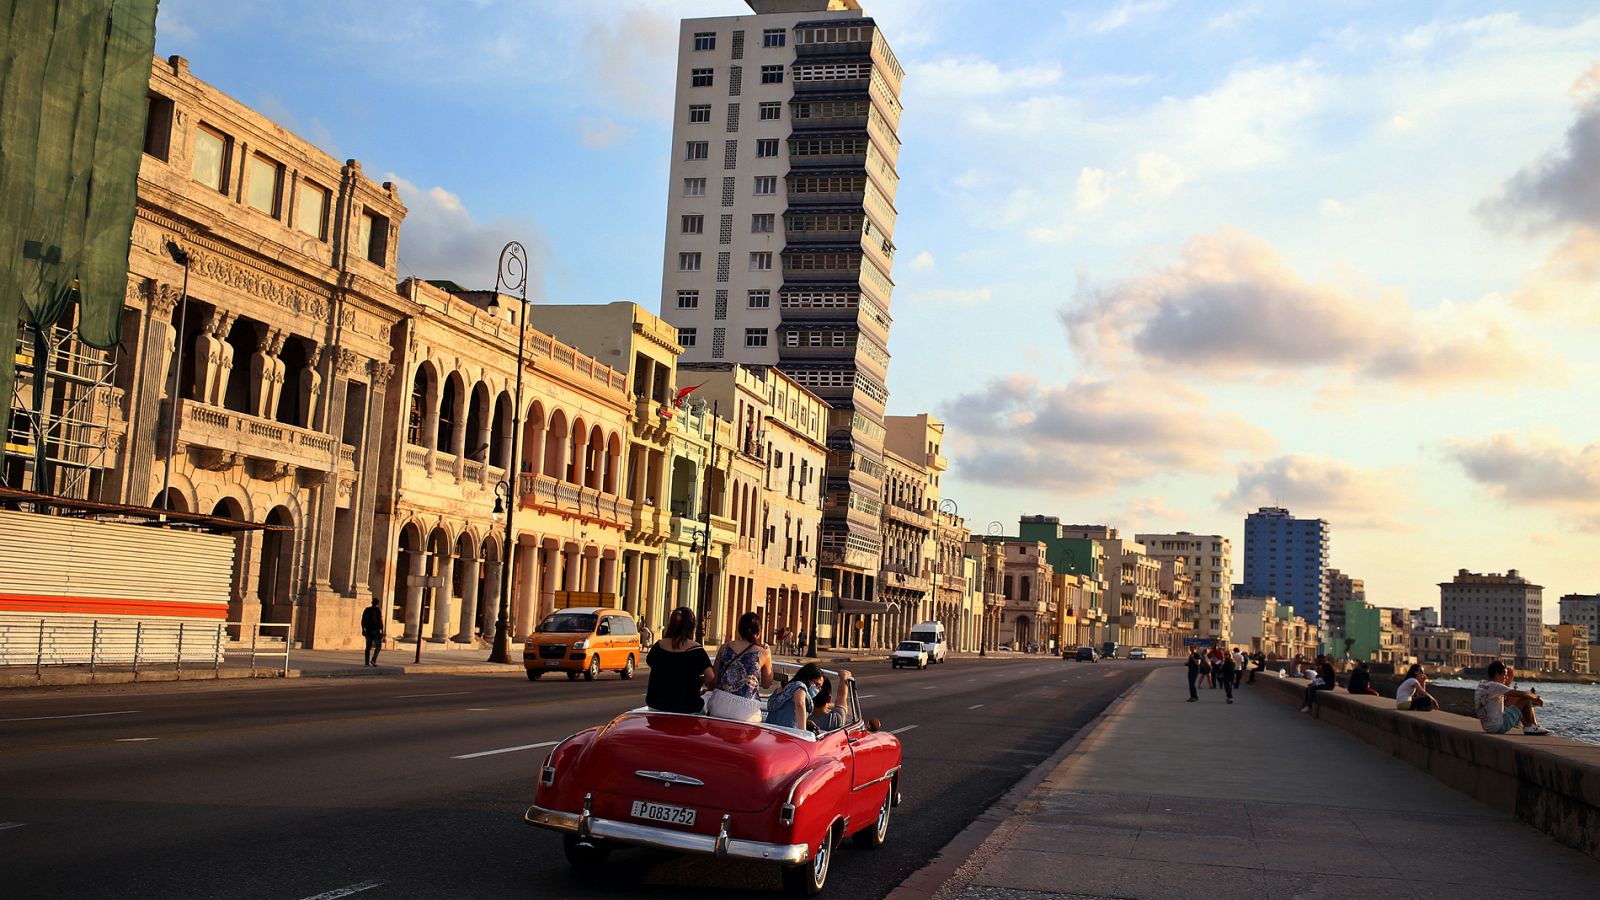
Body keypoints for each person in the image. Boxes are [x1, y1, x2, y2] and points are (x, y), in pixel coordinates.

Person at [645, 607, 715, 713]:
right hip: (686, 707)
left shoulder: (658, 646)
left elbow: (651, 662)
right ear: (692, 627)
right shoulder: (696, 650)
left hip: (656, 705)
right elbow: (710, 677)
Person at [708, 612, 774, 721]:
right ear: (758, 632)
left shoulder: (724, 648)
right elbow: (767, 684)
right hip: (746, 710)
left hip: (719, 705)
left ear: (739, 629)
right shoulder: (763, 653)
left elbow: (714, 680)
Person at [1475, 660, 1549, 736]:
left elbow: (1506, 697)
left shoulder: (1482, 683)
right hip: (1498, 727)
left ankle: (1533, 726)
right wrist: (1536, 698)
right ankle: (1530, 726)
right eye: (1504, 674)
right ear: (1497, 675)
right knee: (1526, 699)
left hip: (1487, 726)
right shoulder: (1495, 686)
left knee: (1515, 699)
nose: (1506, 677)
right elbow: (1521, 694)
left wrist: (1507, 683)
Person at [768, 662, 825, 730]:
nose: (818, 689)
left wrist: (805, 722)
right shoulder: (799, 687)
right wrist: (803, 731)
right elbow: (800, 704)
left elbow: (784, 712)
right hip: (787, 733)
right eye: (817, 685)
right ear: (808, 679)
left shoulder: (783, 688)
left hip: (770, 731)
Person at [360, 598, 384, 667]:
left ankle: (367, 662)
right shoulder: (378, 610)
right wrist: (382, 631)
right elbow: (380, 621)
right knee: (378, 646)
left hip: (368, 630)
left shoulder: (367, 610)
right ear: (377, 603)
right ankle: (373, 660)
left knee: (368, 647)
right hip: (375, 631)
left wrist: (363, 629)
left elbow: (363, 620)